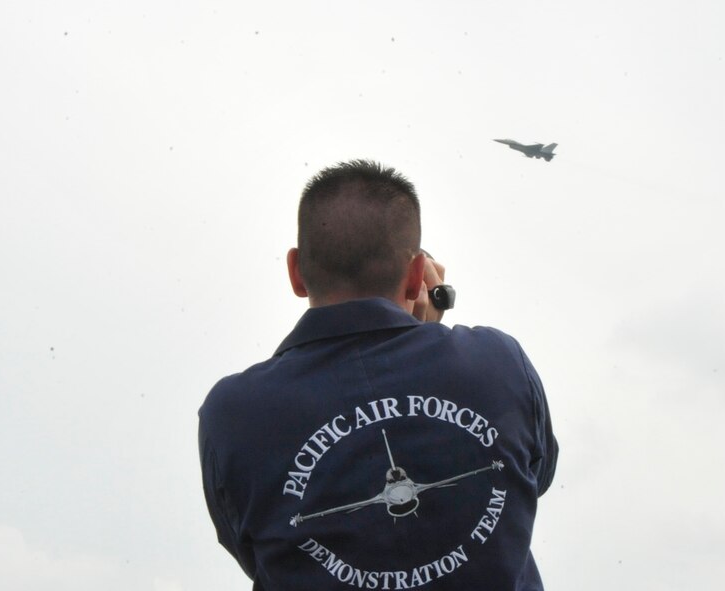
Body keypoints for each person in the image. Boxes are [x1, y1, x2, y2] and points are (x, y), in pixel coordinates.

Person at [199, 160, 558, 590]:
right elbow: (531, 479)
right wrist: (428, 342)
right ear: (416, 275)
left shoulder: (235, 413)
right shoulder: (498, 363)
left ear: (295, 272)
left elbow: (251, 545)